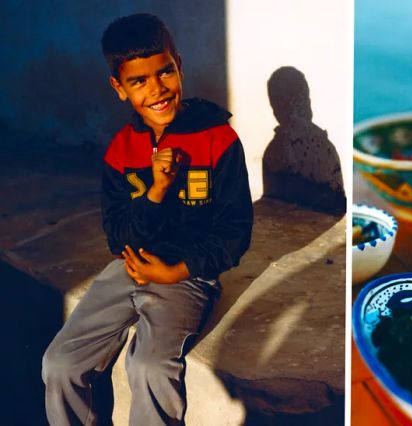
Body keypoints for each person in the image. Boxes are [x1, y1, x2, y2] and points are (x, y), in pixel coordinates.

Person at [41, 13, 253, 425]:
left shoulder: (219, 139)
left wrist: (180, 269)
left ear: (179, 66)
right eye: (139, 81)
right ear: (119, 88)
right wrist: (155, 191)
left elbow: (235, 230)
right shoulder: (120, 151)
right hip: (128, 268)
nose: (157, 90)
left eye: (165, 73)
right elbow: (116, 234)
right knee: (59, 363)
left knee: (149, 367)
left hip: (188, 277)